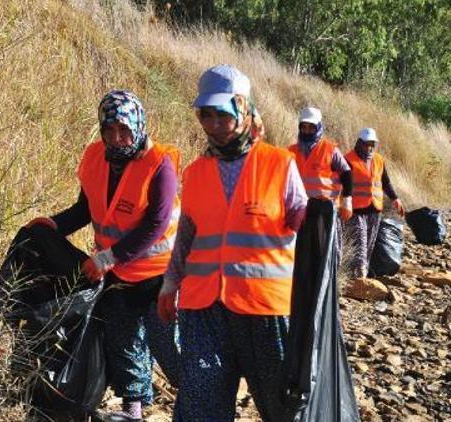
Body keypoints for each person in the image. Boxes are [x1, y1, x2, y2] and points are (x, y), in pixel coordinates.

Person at [157, 64, 307, 421]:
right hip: (204, 306)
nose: (213, 126)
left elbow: (309, 230)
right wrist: (169, 284)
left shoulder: (280, 164)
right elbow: (186, 237)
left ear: (243, 109)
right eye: (205, 116)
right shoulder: (195, 173)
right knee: (199, 402)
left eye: (221, 115)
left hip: (265, 309)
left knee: (282, 407)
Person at [26, 90, 180, 421]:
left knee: (170, 346)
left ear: (139, 125)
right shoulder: (97, 157)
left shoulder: (160, 165)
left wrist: (106, 259)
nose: (117, 138)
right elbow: (86, 208)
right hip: (119, 276)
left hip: (160, 276)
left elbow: (156, 224)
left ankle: (200, 402)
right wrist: (53, 224)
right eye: (109, 130)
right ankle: (133, 410)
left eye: (124, 129)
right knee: (123, 341)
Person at [288, 106, 353, 259]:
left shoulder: (330, 150)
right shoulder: (291, 151)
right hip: (300, 208)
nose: (306, 131)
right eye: (303, 127)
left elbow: (347, 172)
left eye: (311, 127)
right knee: (301, 252)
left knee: (325, 253)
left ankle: (327, 282)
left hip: (325, 210)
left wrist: (347, 201)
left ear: (318, 128)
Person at [344, 128, 404, 279]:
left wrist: (395, 198)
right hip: (355, 211)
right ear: (359, 143)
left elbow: (386, 182)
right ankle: (357, 279)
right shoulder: (348, 160)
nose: (369, 147)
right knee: (360, 244)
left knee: (369, 245)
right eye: (366, 144)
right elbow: (341, 185)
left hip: (374, 210)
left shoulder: (378, 160)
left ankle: (360, 275)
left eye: (372, 144)